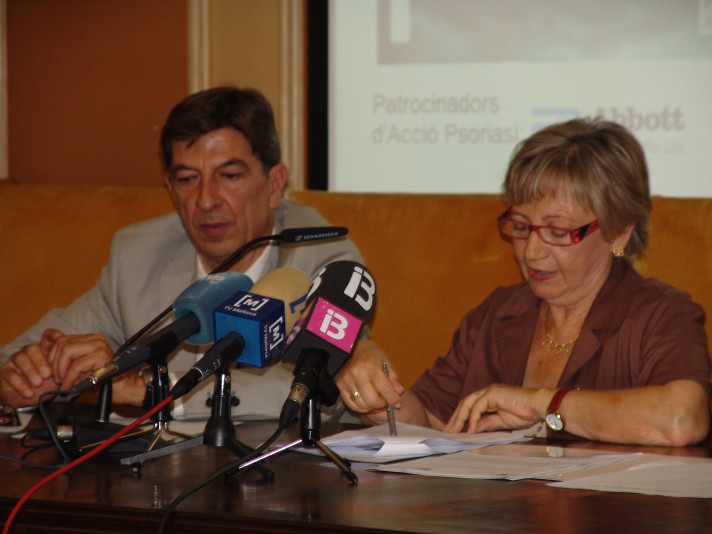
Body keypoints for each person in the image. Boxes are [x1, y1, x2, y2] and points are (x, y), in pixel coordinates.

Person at [337, 117, 711, 446]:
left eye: (558, 232)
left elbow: (681, 421)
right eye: (520, 226)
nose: (531, 252)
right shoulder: (499, 313)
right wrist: (377, 395)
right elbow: (430, 423)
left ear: (620, 232)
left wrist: (540, 404)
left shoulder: (661, 314)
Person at [0, 85, 363, 420]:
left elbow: (324, 387)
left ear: (274, 185)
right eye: (188, 179)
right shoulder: (138, 256)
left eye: (229, 176)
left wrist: (149, 390)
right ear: (171, 189)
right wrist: (25, 378)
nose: (206, 201)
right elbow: (17, 357)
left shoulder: (324, 260)